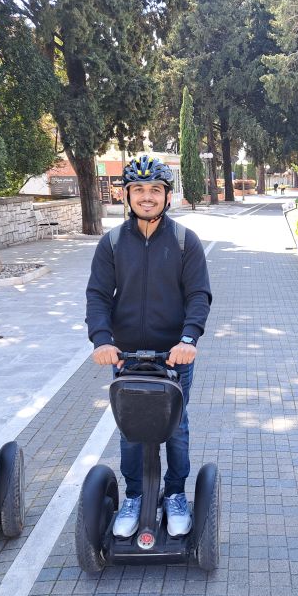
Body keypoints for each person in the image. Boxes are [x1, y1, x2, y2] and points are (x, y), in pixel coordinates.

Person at [85, 155, 212, 538]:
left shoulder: (183, 240)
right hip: (125, 357)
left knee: (175, 427)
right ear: (126, 196)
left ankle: (174, 494)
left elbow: (199, 295)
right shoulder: (111, 242)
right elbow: (97, 295)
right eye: (138, 190)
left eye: (154, 190)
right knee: (131, 431)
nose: (146, 197)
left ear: (166, 196)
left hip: (174, 356)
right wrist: (102, 339)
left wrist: (188, 339)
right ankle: (136, 496)